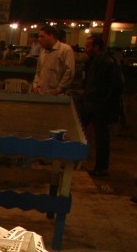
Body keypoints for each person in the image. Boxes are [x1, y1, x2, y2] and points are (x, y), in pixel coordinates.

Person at [80, 35, 124, 177]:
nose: (86, 49)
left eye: (88, 46)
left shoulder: (107, 63)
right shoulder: (94, 62)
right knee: (83, 131)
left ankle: (101, 167)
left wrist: (102, 104)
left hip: (100, 106)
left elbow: (115, 87)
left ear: (96, 47)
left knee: (102, 138)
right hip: (92, 103)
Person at [32, 25, 75, 95]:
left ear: (51, 36)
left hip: (56, 95)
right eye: (39, 36)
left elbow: (69, 72)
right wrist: (35, 85)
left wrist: (59, 89)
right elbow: (38, 71)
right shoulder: (43, 51)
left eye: (42, 36)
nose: (39, 39)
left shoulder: (65, 49)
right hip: (40, 93)